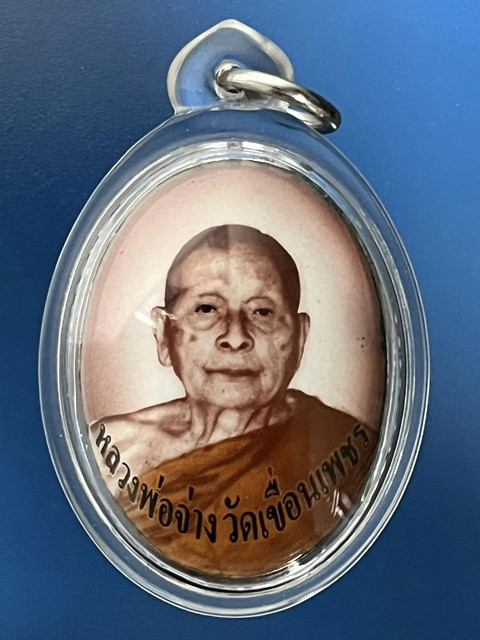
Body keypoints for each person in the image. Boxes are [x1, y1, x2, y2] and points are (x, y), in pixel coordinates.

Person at [91, 224, 378, 576]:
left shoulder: (345, 449)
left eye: (262, 312)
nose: (236, 336)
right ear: (165, 336)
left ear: (299, 338)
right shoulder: (108, 451)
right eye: (206, 308)